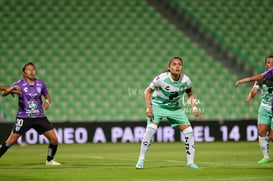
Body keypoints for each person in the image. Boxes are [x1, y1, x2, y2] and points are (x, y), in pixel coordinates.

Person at [135, 56, 202, 169]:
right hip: (157, 106)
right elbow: (147, 91)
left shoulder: (186, 80)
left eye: (179, 64)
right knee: (151, 130)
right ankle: (141, 160)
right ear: (169, 68)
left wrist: (194, 108)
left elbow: (190, 94)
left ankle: (190, 163)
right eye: (174, 64)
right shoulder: (161, 78)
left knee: (189, 131)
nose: (177, 66)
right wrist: (149, 108)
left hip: (174, 108)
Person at [0, 62, 61, 166]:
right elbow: (3, 93)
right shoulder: (19, 84)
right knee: (10, 141)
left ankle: (49, 160)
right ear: (24, 73)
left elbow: (48, 97)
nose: (31, 71)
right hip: (24, 117)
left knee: (54, 139)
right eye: (28, 69)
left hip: (39, 117)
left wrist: (47, 102)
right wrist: (11, 89)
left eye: (33, 69)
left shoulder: (40, 83)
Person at [244, 56, 273, 163]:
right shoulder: (261, 78)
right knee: (261, 132)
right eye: (269, 63)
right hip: (264, 108)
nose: (271, 64)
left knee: (272, 136)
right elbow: (255, 89)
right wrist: (251, 96)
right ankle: (266, 157)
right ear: (266, 65)